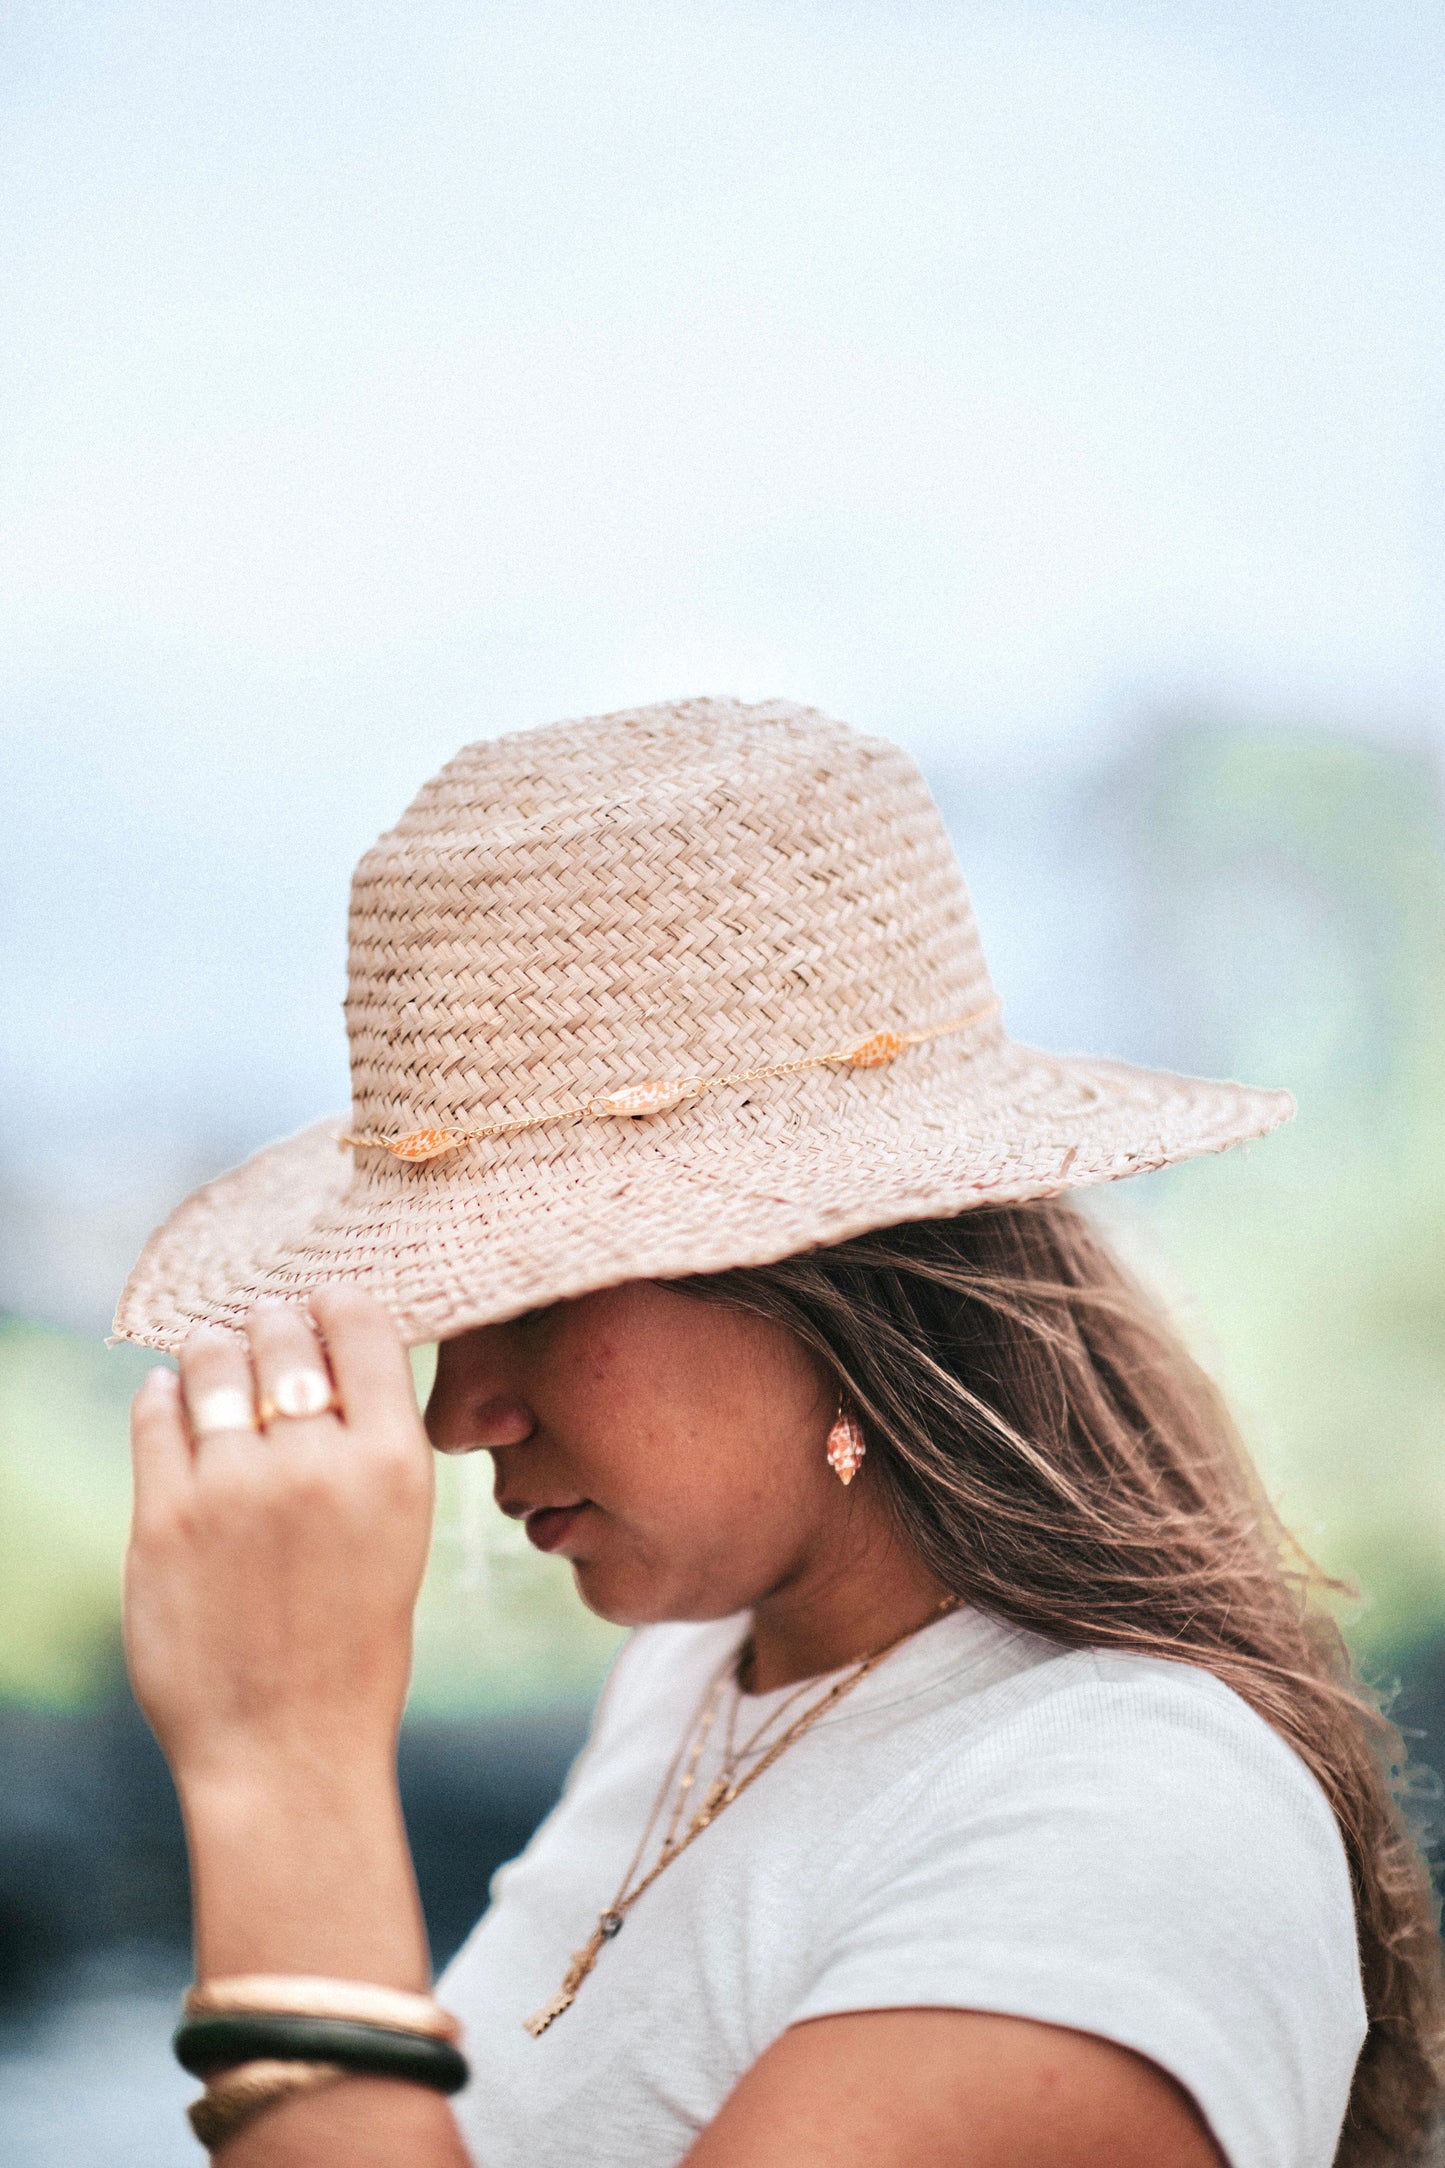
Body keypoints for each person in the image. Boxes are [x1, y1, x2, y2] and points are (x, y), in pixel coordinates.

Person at [116, 698, 1443, 2168]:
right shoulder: (702, 1675)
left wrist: (282, 1761)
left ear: (830, 1287)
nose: (452, 1413)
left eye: (539, 1291)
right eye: (448, 1308)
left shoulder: (1128, 1827)